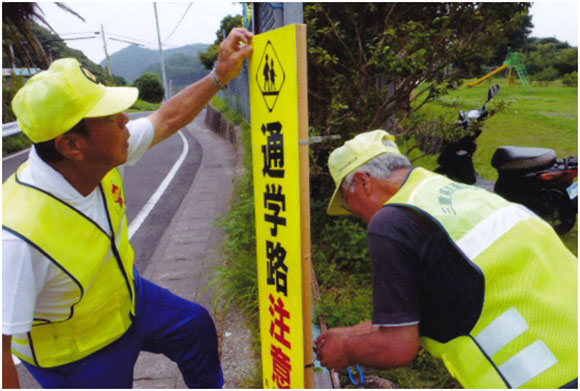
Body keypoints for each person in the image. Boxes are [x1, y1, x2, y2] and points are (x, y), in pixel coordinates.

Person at [2, 28, 253, 389]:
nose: (125, 120)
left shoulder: (96, 157)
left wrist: (219, 76)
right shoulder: (17, 236)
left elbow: (166, 118)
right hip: (79, 358)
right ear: (72, 145)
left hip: (128, 299)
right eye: (108, 116)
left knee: (194, 326)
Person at [314, 130, 578, 388]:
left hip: (545, 374)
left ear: (363, 182)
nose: (355, 214)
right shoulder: (450, 194)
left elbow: (397, 347)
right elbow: (446, 300)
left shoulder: (391, 222)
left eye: (348, 202)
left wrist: (346, 349)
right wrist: (352, 333)